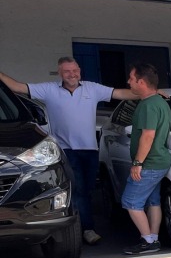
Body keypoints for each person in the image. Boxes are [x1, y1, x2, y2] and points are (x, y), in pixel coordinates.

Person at [0, 58, 136, 246]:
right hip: (67, 150)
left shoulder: (92, 88)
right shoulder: (49, 89)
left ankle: (79, 226)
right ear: (60, 73)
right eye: (67, 71)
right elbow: (17, 87)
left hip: (90, 150)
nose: (72, 74)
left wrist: (150, 93)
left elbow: (120, 93)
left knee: (87, 190)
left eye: (74, 70)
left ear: (79, 70)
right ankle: (86, 230)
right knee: (78, 190)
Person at [121, 63, 171, 256]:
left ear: (141, 82)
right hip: (159, 162)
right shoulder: (159, 101)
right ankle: (153, 238)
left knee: (131, 202)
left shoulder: (149, 106)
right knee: (153, 201)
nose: (128, 82)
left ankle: (147, 240)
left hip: (149, 163)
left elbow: (148, 136)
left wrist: (137, 163)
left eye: (131, 79)